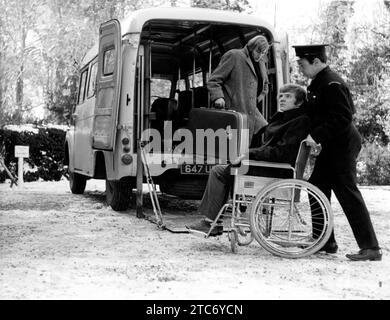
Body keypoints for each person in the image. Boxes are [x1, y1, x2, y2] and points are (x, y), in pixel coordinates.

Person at [294, 44, 382, 261]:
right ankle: (325, 241)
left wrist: (317, 136)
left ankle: (371, 247)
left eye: (303, 64)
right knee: (316, 187)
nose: (301, 69)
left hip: (342, 145)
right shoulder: (320, 81)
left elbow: (343, 117)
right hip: (333, 144)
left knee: (347, 193)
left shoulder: (332, 83)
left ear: (316, 61)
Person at [186, 84, 310, 235]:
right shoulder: (284, 118)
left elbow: (281, 153)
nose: (282, 99)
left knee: (220, 172)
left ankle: (212, 222)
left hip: (277, 171)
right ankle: (214, 220)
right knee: (222, 169)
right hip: (271, 166)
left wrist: (247, 154)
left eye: (288, 96)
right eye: (281, 95)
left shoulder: (299, 121)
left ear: (299, 102)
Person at [207, 35, 270, 143]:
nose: (260, 56)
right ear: (251, 47)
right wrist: (218, 97)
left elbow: (266, 84)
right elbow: (214, 80)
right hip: (233, 108)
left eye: (263, 53)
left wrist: (258, 98)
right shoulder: (234, 55)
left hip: (252, 111)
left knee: (254, 139)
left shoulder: (261, 63)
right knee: (232, 145)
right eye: (258, 51)